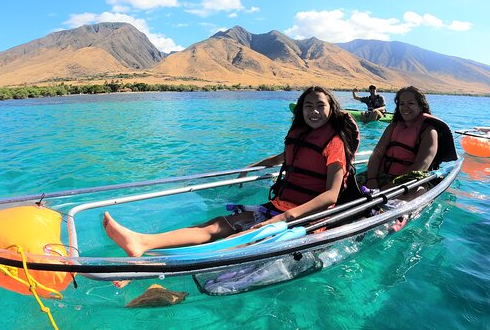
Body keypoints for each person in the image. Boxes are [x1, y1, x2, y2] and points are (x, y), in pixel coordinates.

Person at [103, 86, 360, 257]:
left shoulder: (335, 144)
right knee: (214, 225)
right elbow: (286, 158)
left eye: (320, 106)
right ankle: (143, 243)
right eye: (308, 106)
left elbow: (331, 196)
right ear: (301, 110)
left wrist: (285, 218)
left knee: (240, 239)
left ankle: (146, 266)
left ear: (331, 109)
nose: (314, 111)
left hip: (307, 217)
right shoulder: (301, 135)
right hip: (278, 206)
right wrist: (251, 168)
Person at [363, 86, 457, 192]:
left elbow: (421, 165)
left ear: (421, 106)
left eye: (410, 103)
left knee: (416, 192)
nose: (405, 107)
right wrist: (371, 179)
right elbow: (377, 153)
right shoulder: (393, 126)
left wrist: (389, 188)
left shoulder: (429, 131)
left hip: (410, 182)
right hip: (381, 176)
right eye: (401, 104)